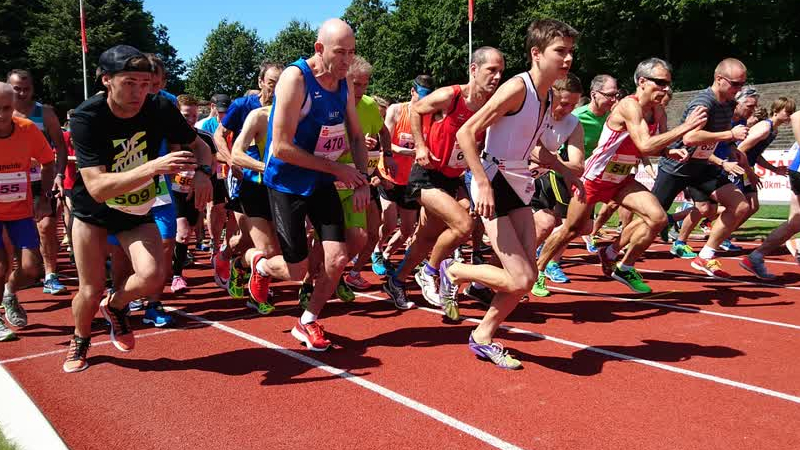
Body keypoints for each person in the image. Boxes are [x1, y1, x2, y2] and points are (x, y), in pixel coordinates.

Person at [437, 20, 582, 369]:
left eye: (571, 52)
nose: (568, 59)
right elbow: (466, 133)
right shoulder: (518, 88)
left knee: (525, 279)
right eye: (560, 51)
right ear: (536, 53)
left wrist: (566, 173)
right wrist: (482, 183)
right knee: (521, 278)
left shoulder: (548, 96)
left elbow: (538, 150)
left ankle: (482, 336)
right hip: (493, 179)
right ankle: (454, 270)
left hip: (519, 182)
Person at [63, 45, 212, 372]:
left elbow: (198, 144)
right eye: (130, 83)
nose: (139, 92)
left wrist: (203, 173)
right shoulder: (87, 117)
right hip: (94, 212)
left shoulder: (160, 106)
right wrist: (154, 167)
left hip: (135, 208)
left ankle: (115, 307)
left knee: (152, 276)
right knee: (90, 288)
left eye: (145, 83)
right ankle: (81, 339)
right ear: (107, 81)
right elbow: (98, 188)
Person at [246, 19, 370, 351]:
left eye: (352, 52)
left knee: (337, 257)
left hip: (320, 179)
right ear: (319, 49)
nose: (347, 60)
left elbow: (356, 135)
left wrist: (362, 179)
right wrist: (336, 168)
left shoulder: (343, 83)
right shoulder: (295, 78)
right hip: (286, 181)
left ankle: (308, 319)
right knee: (296, 266)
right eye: (340, 52)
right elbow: (281, 147)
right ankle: (259, 264)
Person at [538, 57, 707, 294]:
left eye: (668, 83)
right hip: (595, 178)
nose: (666, 89)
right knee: (573, 229)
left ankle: (620, 262)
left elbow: (657, 144)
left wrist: (670, 150)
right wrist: (686, 127)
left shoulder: (658, 110)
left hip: (622, 179)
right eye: (660, 83)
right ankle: (539, 268)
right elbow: (646, 145)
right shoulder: (629, 106)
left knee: (657, 218)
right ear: (642, 82)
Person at [382, 46, 505, 314]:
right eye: (491, 70)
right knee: (463, 225)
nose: (497, 77)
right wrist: (421, 146)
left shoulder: (493, 105)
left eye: (501, 72)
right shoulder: (452, 95)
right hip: (426, 174)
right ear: (474, 70)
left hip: (453, 177)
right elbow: (416, 110)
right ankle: (429, 272)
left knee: (427, 237)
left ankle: (396, 280)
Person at [650, 58, 750, 278]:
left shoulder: (729, 102)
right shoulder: (703, 102)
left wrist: (732, 146)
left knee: (740, 205)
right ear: (719, 79)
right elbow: (690, 137)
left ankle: (705, 256)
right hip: (678, 165)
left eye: (742, 84)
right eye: (735, 84)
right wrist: (730, 135)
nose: (739, 89)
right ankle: (613, 251)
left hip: (701, 167)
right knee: (652, 221)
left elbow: (722, 128)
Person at [0, 82, 56, 341]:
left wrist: (44, 197)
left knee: (32, 268)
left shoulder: (27, 130)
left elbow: (48, 162)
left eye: (6, 108)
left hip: (20, 210)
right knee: (0, 265)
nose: (1, 115)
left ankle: (9, 293)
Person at [7, 69, 69, 295]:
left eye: (27, 89)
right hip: (10, 183)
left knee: (46, 226)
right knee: (13, 234)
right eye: (17, 89)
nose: (22, 93)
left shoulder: (45, 113)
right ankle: (21, 273)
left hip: (40, 180)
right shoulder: (4, 114)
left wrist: (59, 173)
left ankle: (51, 275)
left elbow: (60, 147)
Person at [369, 75, 434, 276]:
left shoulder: (430, 115)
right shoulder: (396, 110)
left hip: (410, 179)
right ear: (412, 92)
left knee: (407, 229)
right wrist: (410, 151)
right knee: (388, 223)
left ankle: (387, 254)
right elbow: (386, 142)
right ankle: (376, 250)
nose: (424, 102)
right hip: (389, 174)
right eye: (421, 96)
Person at [528, 73, 585, 296]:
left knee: (546, 224)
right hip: (505, 174)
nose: (568, 109)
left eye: (574, 104)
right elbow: (531, 148)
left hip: (535, 179)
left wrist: (549, 160)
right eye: (564, 103)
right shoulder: (534, 112)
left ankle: (529, 272)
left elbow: (578, 165)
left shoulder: (573, 124)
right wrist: (554, 161)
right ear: (551, 95)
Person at [739, 100, 798, 279]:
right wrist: (748, 172)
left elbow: (755, 154)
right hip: (735, 167)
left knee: (752, 207)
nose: (789, 115)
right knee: (735, 207)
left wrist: (773, 169)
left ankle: (755, 257)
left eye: (790, 111)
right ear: (776, 110)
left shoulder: (773, 130)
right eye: (786, 111)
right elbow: (740, 149)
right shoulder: (765, 127)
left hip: (746, 167)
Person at [571, 73, 618, 253]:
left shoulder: (613, 118)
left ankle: (545, 245)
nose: (613, 100)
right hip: (567, 174)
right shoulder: (577, 117)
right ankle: (549, 261)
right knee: (565, 222)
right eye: (609, 95)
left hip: (590, 177)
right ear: (594, 94)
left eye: (615, 95)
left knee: (585, 227)